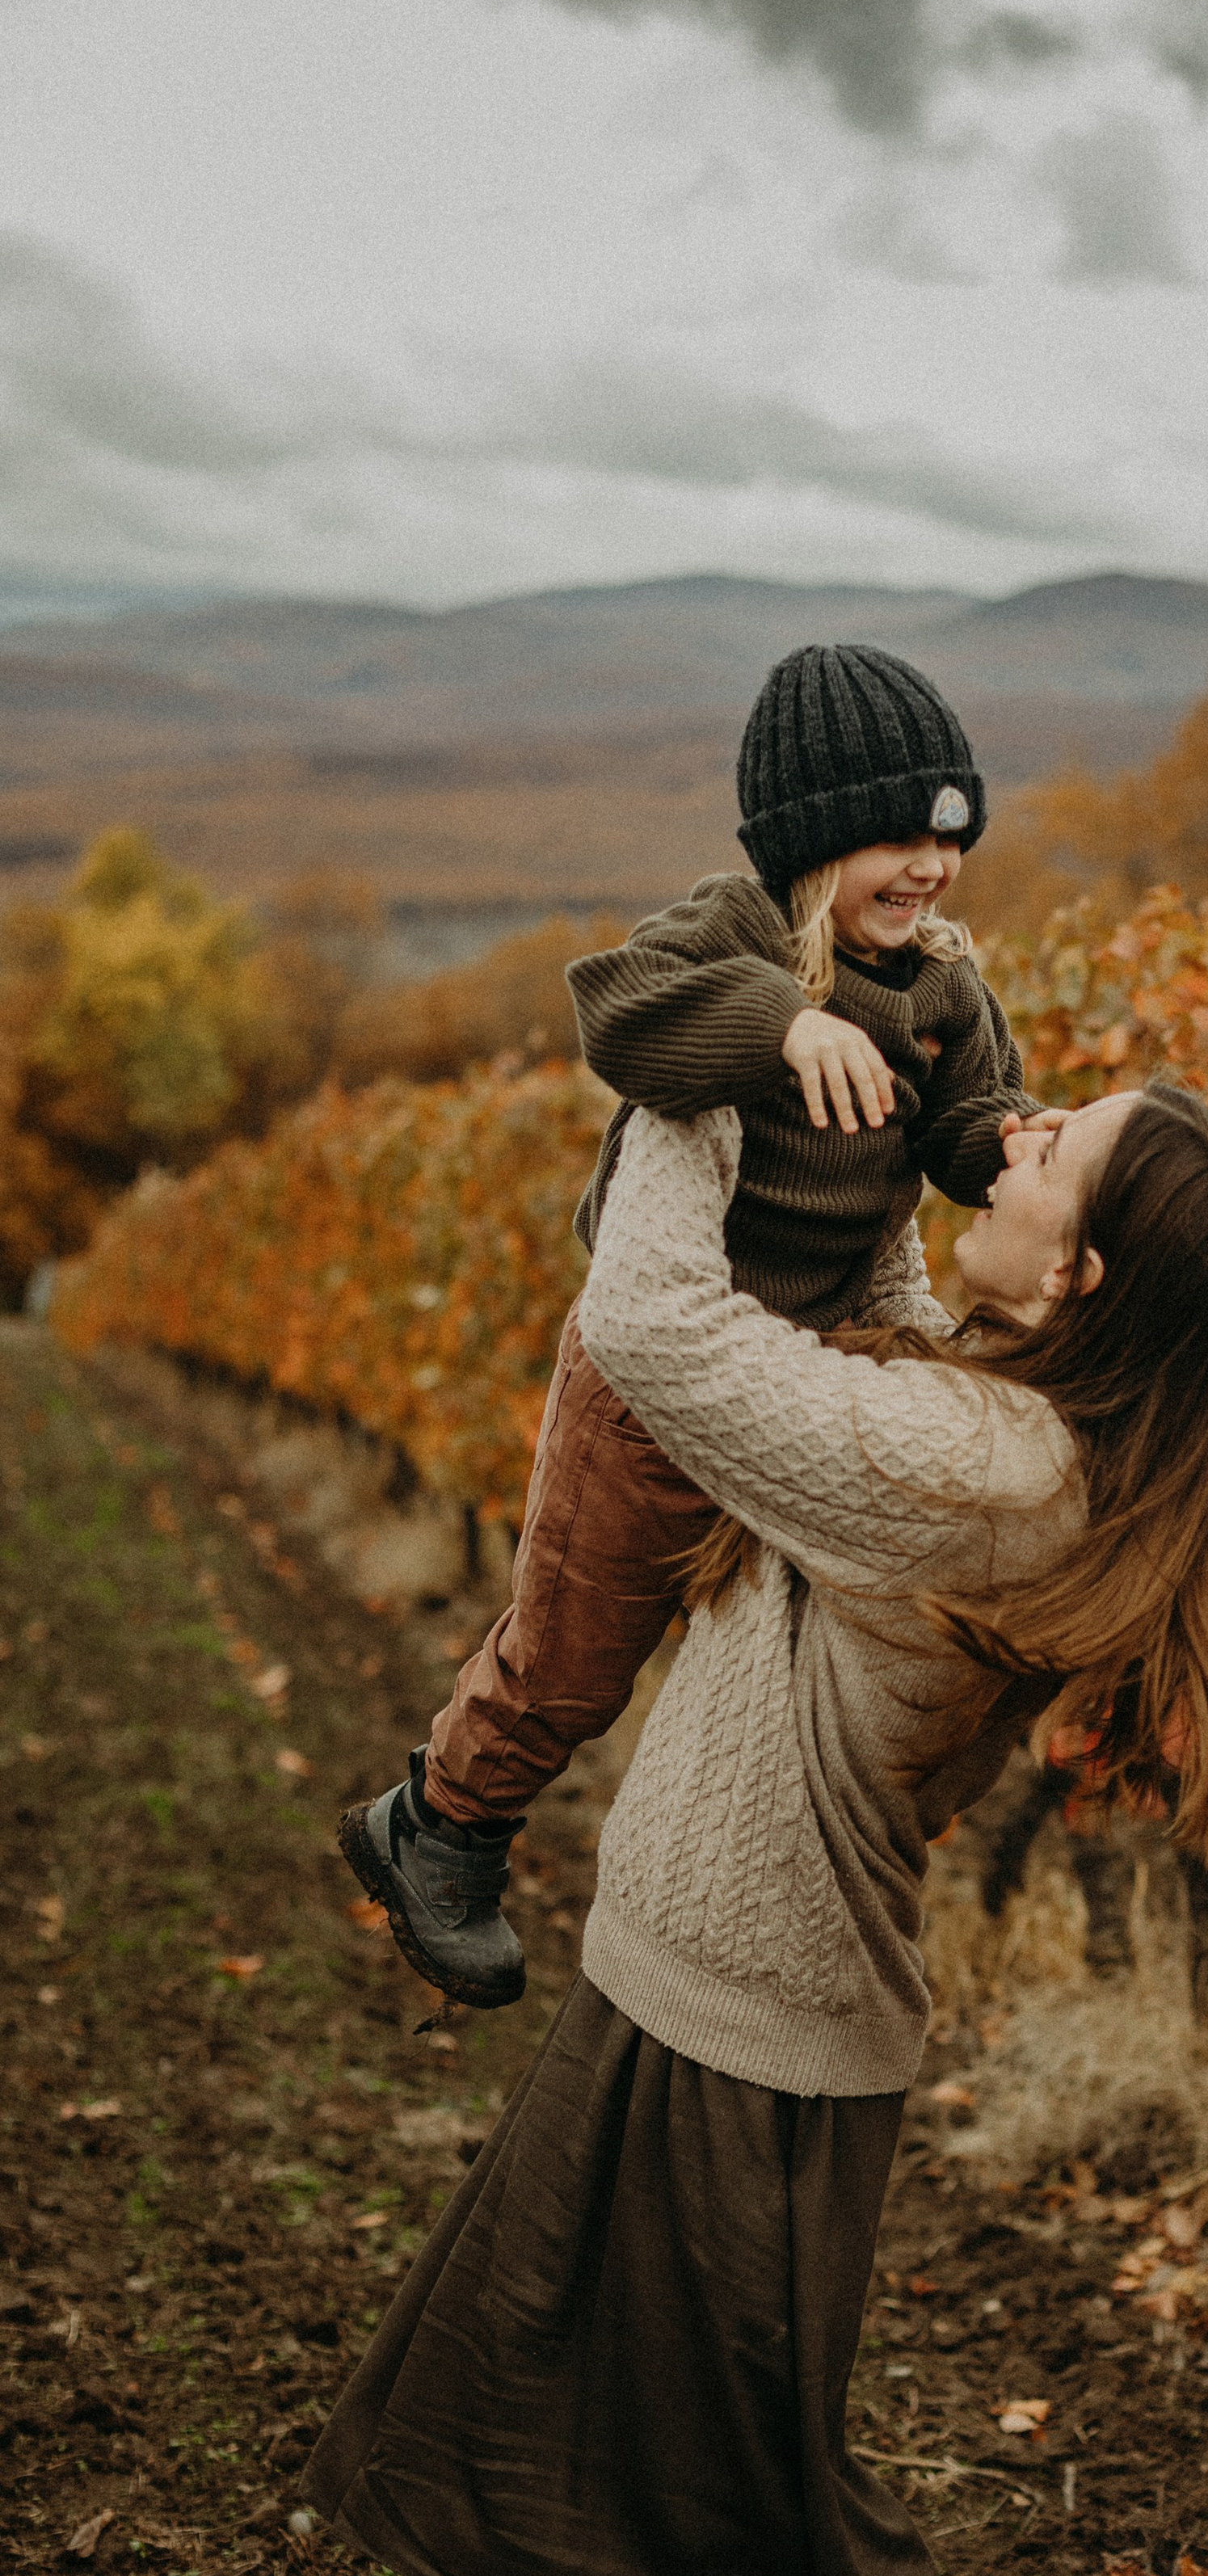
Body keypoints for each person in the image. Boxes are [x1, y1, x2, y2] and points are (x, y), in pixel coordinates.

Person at [303, 1063, 1208, 2576]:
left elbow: (663, 1329)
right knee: (694, 2432)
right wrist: (885, 1067)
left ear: (1086, 1269)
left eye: (1054, 1150)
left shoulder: (988, 1468)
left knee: (779, 2485)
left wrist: (708, 1068)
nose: (1014, 1142)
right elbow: (888, 1297)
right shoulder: (1012, 1418)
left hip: (760, 2037)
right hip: (697, 1993)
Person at [341, 639, 1038, 2009]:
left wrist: (1020, 1151)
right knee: (579, 1649)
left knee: (786, 1647)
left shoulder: (948, 989)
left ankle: (746, 1909)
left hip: (806, 1374)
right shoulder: (728, 936)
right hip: (651, 1384)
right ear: (812, 839)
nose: (929, 868)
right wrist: (786, 1028)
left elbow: (961, 1127)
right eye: (895, 836)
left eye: (949, 838)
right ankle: (439, 1821)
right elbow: (618, 1014)